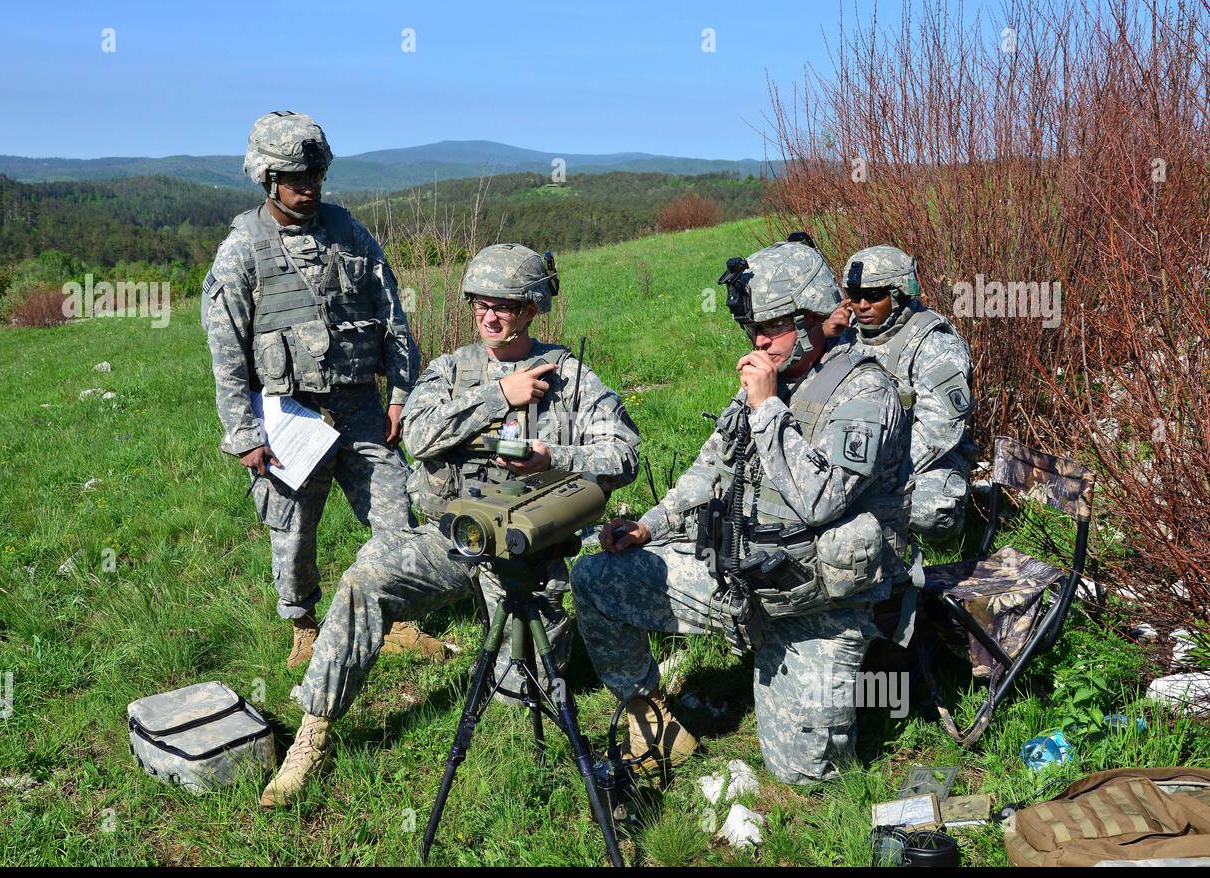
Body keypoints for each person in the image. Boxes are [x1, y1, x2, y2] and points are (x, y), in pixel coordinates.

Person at [259, 242, 641, 807]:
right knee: (367, 577)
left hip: (529, 555)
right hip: (452, 540)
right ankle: (315, 728)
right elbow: (417, 434)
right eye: (481, 304)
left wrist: (551, 458)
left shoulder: (570, 376)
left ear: (532, 309)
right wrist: (497, 396)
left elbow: (624, 453)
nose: (490, 316)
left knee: (519, 698)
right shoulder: (450, 370)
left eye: (505, 306)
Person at [571, 240, 911, 785]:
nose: (757, 341)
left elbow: (820, 499)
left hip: (813, 604)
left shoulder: (866, 392)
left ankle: (864, 670)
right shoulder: (772, 379)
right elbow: (712, 465)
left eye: (770, 327)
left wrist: (767, 408)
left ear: (812, 319)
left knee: (807, 777)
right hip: (737, 577)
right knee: (596, 576)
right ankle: (649, 716)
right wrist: (650, 524)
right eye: (752, 326)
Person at [201, 111, 420, 670]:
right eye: (297, 179)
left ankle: (397, 617)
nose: (309, 189)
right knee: (293, 529)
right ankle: (302, 622)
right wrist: (245, 435)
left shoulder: (349, 232)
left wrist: (399, 396)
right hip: (287, 415)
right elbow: (227, 356)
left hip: (361, 407)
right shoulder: (242, 251)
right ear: (267, 179)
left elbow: (393, 318)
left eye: (316, 176)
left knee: (396, 514)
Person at [838, 245, 975, 539]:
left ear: (899, 294)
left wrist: (880, 474)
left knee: (931, 512)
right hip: (860, 448)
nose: (861, 305)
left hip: (922, 460)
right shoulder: (845, 335)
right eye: (854, 295)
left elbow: (940, 429)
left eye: (874, 296)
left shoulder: (934, 343)